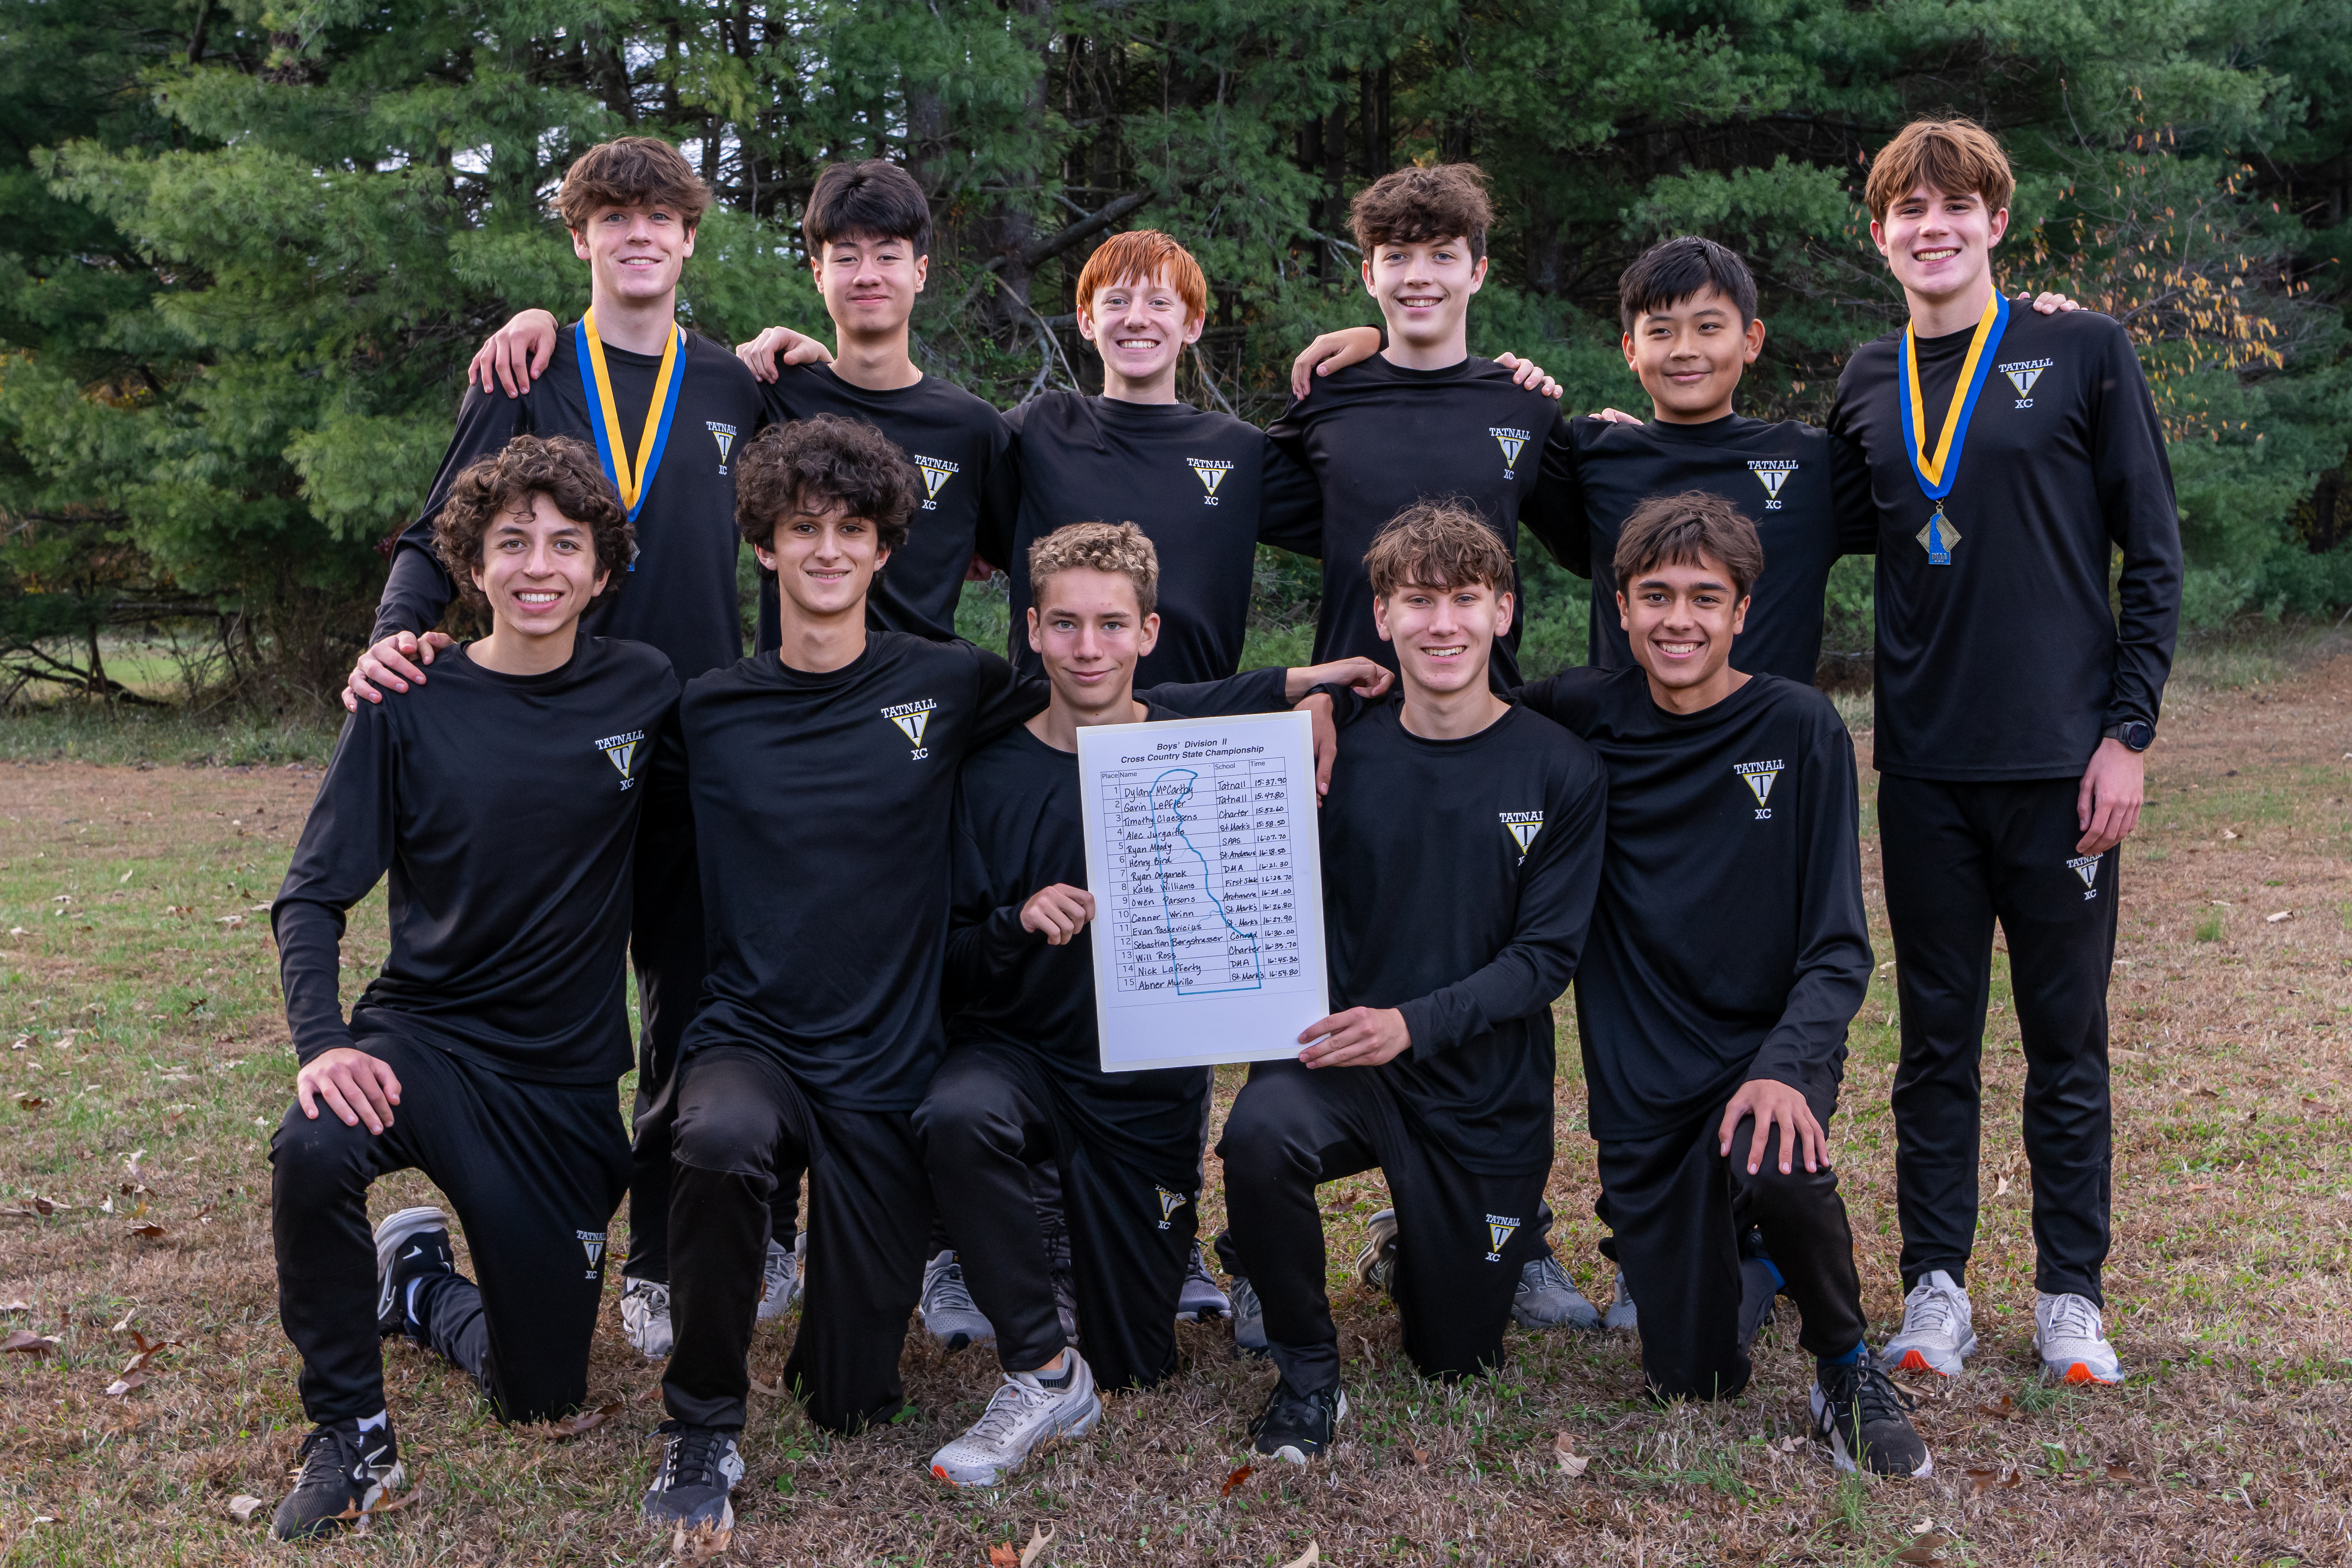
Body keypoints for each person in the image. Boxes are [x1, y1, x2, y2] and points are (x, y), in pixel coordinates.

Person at [640, 415, 1385, 1530]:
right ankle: (700, 1433)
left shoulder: (949, 683)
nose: (830, 550)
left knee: (850, 1398)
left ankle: (999, 1303)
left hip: (885, 1061)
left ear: (888, 548)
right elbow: (625, 842)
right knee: (721, 1137)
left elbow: (1114, 709)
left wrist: (1289, 689)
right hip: (755, 1038)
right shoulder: (705, 711)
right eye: (803, 529)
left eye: (853, 529)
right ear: (763, 546)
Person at [348, 136, 787, 1360]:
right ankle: (523, 1205)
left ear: (691, 240)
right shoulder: (528, 368)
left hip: (695, 739)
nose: (639, 235)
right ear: (580, 237)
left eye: (662, 218)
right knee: (563, 986)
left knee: (696, 994)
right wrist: (395, 640)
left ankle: (658, 1254)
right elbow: (441, 526)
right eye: (613, 217)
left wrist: (792, 353)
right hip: (551, 738)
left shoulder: (737, 384)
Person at [266, 437, 682, 1538]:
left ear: (602, 572)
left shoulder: (647, 692)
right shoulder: (407, 696)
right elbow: (310, 898)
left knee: (538, 1394)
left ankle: (418, 1288)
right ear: (471, 564)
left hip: (562, 1088)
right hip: (429, 1046)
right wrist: (323, 1042)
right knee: (312, 1142)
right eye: (511, 543)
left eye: (565, 544)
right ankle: (352, 1435)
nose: (537, 565)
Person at [915, 520, 1383, 1486]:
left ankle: (1087, 1248)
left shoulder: (1212, 759)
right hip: (1017, 1057)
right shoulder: (985, 770)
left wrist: (1306, 693)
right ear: (1033, 631)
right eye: (1067, 626)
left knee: (1138, 1359)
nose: (1089, 649)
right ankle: (1040, 1366)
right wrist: (1012, 923)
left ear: (1149, 634)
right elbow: (944, 962)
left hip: (1144, 1085)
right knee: (958, 1113)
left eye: (1112, 626)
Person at [1828, 117, 2181, 1387]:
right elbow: (1783, 525)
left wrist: (2126, 733)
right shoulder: (1867, 379)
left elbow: (2154, 555)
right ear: (1881, 237)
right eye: (1907, 211)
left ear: (1993, 223)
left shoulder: (2080, 346)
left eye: (1954, 207)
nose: (1932, 227)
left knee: (2063, 1039)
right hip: (1922, 770)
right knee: (1933, 1041)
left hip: (2060, 770)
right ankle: (1936, 1289)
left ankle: (2069, 1296)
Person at [1512, 491, 1930, 1475]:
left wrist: (1787, 1067)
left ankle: (1844, 1367)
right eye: (1654, 596)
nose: (1678, 620)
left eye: (1706, 598)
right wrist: (1315, 699)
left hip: (1763, 1057)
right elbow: (1445, 715)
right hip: (1643, 1081)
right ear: (1620, 607)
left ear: (1742, 611)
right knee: (1691, 1377)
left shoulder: (1799, 725)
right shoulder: (1577, 714)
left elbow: (1839, 946)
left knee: (1776, 1156)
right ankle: (1747, 1258)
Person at [1217, 503, 1605, 1464]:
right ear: (1381, 617)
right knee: (1259, 1135)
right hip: (1344, 1064)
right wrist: (1303, 693)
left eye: (1465, 600)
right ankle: (1306, 1374)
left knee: (1454, 1358)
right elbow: (1154, 716)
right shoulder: (1325, 754)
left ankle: (1423, 1250)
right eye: (1417, 601)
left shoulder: (1560, 767)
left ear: (1504, 613)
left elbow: (1544, 958)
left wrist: (1413, 1023)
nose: (1443, 624)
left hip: (1480, 1089)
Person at [476, 157, 1016, 648]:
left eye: (888, 256)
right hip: (784, 705)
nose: (868, 274)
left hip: (920, 712)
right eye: (847, 257)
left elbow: (1019, 561)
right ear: (818, 273)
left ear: (920, 271)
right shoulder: (774, 395)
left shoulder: (975, 428)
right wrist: (537, 319)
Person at [1264, 164, 1577, 689]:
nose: (1417, 276)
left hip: (1483, 716)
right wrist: (1371, 339)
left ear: (1476, 273)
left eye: (1442, 255)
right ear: (1369, 275)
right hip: (1350, 717)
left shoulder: (1523, 405)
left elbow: (1586, 544)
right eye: (1396, 257)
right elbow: (1230, 504)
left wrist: (1617, 432)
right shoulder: (1326, 394)